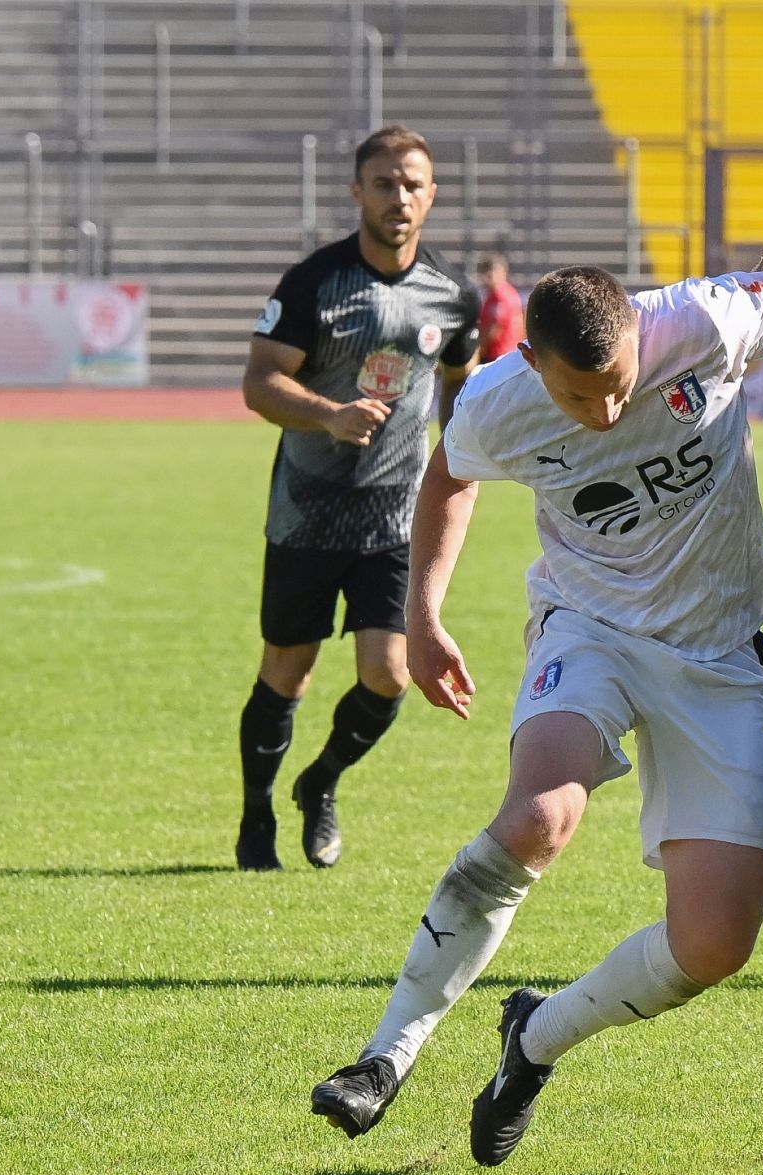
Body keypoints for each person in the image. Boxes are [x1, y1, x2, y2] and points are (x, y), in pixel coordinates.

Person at [308, 212, 763, 1166]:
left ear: (641, 337)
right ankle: (385, 1056)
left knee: (715, 945)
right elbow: (450, 479)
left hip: (719, 652)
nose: (604, 411)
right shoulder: (496, 403)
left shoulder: (705, 320)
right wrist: (425, 617)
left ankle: (535, 1037)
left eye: (620, 387)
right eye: (580, 395)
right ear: (534, 364)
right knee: (538, 818)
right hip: (587, 629)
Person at [237, 124, 481, 872]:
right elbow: (259, 382)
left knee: (389, 673)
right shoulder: (313, 283)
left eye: (412, 184)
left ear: (431, 195)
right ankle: (255, 819)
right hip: (307, 513)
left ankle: (322, 783)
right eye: (384, 183)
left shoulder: (453, 296)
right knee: (289, 671)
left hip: (393, 518)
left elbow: (461, 387)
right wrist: (328, 414)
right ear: (357, 192)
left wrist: (471, 449)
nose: (399, 197)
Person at [474, 252, 525, 361]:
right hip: (507, 355)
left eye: (491, 271)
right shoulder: (506, 292)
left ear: (503, 272)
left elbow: (494, 328)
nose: (487, 276)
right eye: (484, 271)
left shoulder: (499, 295)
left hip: (498, 356)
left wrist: (477, 348)